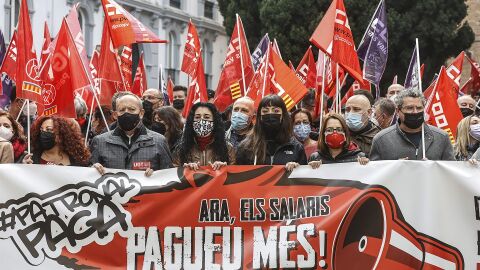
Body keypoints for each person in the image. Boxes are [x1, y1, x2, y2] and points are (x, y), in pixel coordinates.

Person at [90, 93, 172, 176]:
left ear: (141, 113)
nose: (126, 113)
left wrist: (155, 176)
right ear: (115, 115)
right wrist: (92, 169)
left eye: (131, 109)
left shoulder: (159, 141)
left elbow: (169, 177)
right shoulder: (100, 141)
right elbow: (87, 177)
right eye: (122, 110)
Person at [370, 88, 455, 160]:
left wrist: (432, 166)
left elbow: (451, 171)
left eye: (419, 108)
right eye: (409, 108)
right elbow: (376, 172)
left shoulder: (441, 137)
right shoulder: (382, 139)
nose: (415, 112)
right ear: (398, 111)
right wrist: (394, 167)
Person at [236, 95, 307, 170]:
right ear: (259, 116)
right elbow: (237, 176)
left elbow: (304, 179)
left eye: (276, 111)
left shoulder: (296, 147)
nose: (270, 114)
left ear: (283, 115)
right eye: (265, 111)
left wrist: (298, 168)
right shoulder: (246, 147)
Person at [172, 102, 235, 170]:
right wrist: (184, 169)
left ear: (214, 121)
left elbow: (234, 174)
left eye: (207, 117)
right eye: (197, 117)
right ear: (192, 121)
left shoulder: (227, 148)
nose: (202, 120)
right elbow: (174, 174)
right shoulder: (181, 148)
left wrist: (224, 168)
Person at [22, 116, 90, 166]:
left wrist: (94, 169)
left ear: (61, 133)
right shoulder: (31, 157)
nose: (43, 133)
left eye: (49, 130)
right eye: (41, 130)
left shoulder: (76, 159)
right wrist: (23, 167)